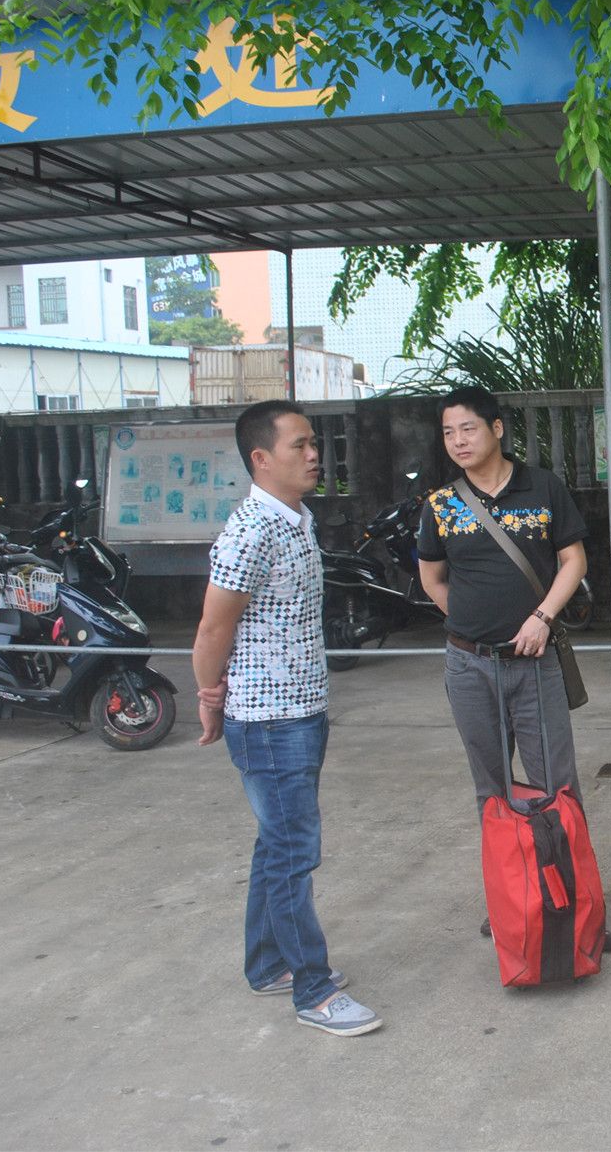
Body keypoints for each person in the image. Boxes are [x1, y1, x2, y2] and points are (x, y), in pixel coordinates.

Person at [191, 400, 382, 1037]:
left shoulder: (295, 517)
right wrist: (209, 697)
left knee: (276, 845)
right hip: (269, 720)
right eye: (299, 445)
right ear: (261, 458)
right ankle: (313, 991)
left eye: (313, 443)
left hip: (301, 709)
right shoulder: (250, 531)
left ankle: (268, 963)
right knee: (294, 851)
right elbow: (212, 628)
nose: (314, 454)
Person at [416, 386, 611, 952]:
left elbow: (573, 559)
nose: (458, 441)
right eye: (449, 432)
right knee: (492, 789)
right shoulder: (441, 504)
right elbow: (432, 578)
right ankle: (510, 903)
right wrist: (467, 621)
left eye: (468, 429)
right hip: (468, 667)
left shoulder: (542, 487)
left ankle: (580, 912)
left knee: (558, 785)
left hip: (535, 664)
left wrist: (541, 617)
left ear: (497, 428)